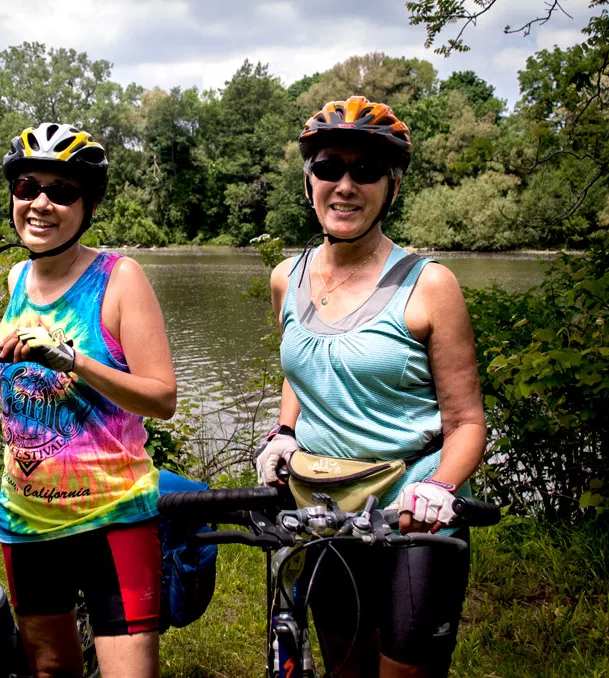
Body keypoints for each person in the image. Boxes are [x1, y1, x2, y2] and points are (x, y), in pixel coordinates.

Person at [255, 97, 486, 677]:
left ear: (393, 187)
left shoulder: (431, 285)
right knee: (344, 666)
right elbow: (303, 369)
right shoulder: (288, 277)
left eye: (366, 171)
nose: (345, 186)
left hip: (412, 513)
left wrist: (440, 486)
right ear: (310, 182)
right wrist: (285, 431)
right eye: (330, 167)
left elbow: (466, 423)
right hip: (324, 509)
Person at [0, 122, 177, 678]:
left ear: (87, 204)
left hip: (112, 518)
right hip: (27, 518)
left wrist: (73, 360)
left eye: (62, 191)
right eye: (27, 187)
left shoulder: (119, 279)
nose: (41, 203)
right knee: (50, 673)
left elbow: (162, 397)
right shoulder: (16, 279)